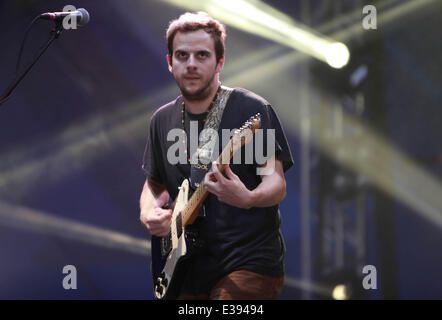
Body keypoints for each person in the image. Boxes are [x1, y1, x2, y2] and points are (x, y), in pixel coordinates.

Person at [139, 12, 293, 300]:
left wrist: (249, 198)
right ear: (170, 63)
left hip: (247, 263)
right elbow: (153, 184)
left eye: (202, 55)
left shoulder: (251, 110)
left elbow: (276, 182)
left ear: (220, 61)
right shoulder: (161, 120)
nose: (191, 63)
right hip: (186, 270)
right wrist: (148, 212)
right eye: (182, 55)